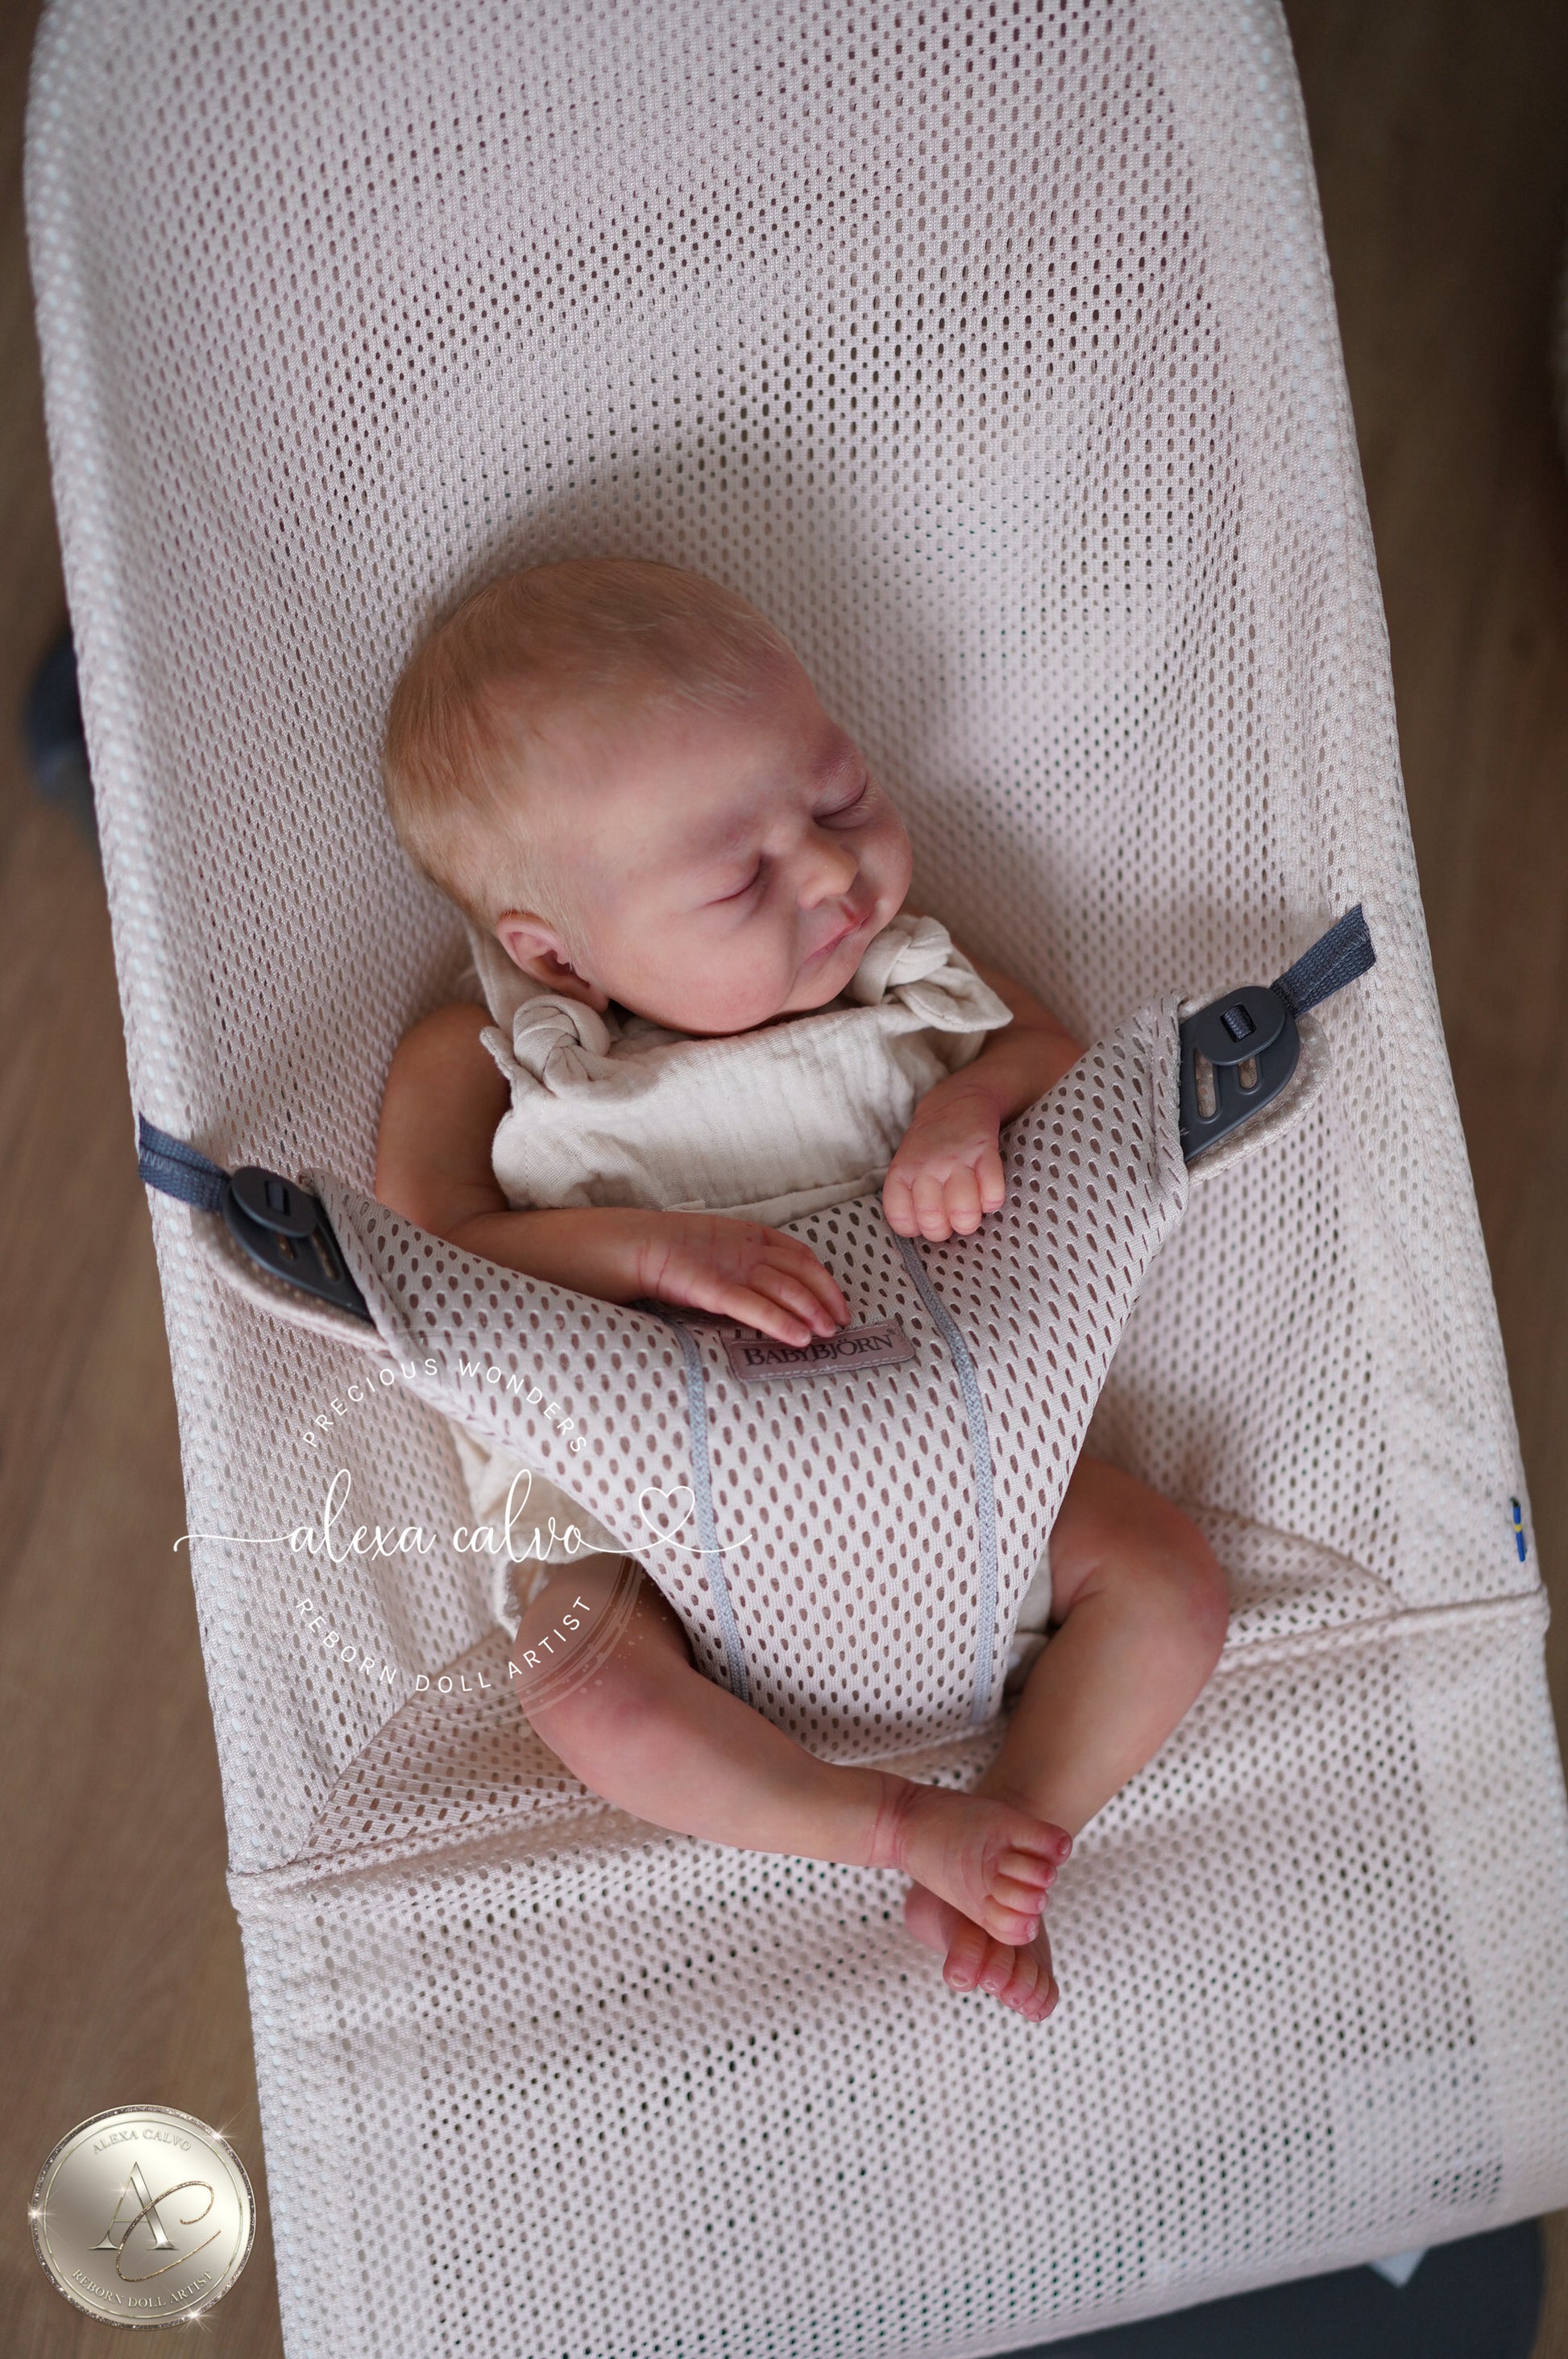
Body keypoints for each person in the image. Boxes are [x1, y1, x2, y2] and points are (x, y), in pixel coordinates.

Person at [375, 559, 1228, 2021]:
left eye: (837, 797)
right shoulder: (484, 1060)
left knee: (1167, 1584)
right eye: (738, 879)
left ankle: (1012, 1825)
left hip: (960, 1467)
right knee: (578, 1683)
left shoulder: (905, 980)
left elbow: (1056, 1066)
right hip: (650, 1536)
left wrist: (967, 1110)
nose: (833, 875)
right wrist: (648, 1257)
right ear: (556, 952)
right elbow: (420, 1272)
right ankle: (887, 1827)